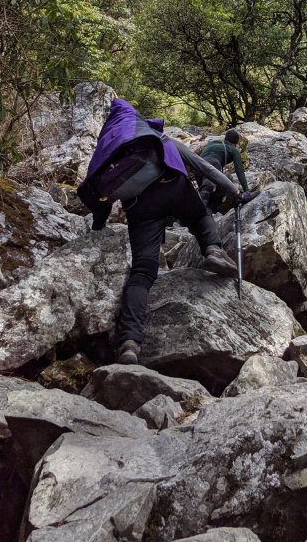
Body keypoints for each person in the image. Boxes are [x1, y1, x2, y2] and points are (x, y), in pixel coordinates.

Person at [78, 98, 242, 365]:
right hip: (173, 188)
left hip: (139, 208)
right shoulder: (155, 137)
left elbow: (99, 196)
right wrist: (233, 190)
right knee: (200, 214)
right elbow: (204, 168)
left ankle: (129, 342)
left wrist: (98, 230)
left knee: (142, 272)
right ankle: (212, 248)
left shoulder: (109, 151)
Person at [198, 129, 254, 210]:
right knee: (213, 188)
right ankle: (209, 210)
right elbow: (239, 172)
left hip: (197, 165)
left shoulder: (212, 143)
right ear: (236, 141)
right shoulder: (233, 150)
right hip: (213, 163)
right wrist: (246, 191)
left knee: (203, 193)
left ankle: (205, 210)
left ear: (225, 138)